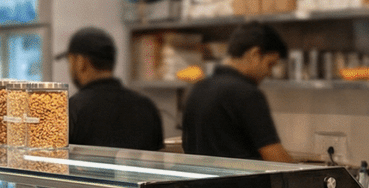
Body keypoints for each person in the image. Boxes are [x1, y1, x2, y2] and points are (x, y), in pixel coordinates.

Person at [181, 24, 294, 162]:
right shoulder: (246, 93)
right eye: (270, 64)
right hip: (237, 182)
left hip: (198, 182)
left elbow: (187, 145)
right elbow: (275, 157)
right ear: (255, 54)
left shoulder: (198, 88)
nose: (269, 73)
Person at [56, 27, 164, 151]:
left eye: (70, 61)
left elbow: (57, 163)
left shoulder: (71, 110)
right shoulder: (147, 107)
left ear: (81, 62)